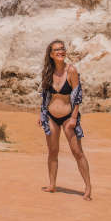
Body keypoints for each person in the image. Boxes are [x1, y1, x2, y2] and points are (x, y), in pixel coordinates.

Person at [37, 39, 92, 200]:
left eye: (62, 49)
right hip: (51, 117)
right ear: (51, 54)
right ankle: (52, 184)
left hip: (69, 118)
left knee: (77, 152)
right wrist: (42, 114)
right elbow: (46, 96)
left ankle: (88, 187)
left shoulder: (71, 71)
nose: (60, 52)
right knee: (53, 152)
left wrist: (74, 118)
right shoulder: (47, 72)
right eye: (56, 50)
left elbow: (77, 96)